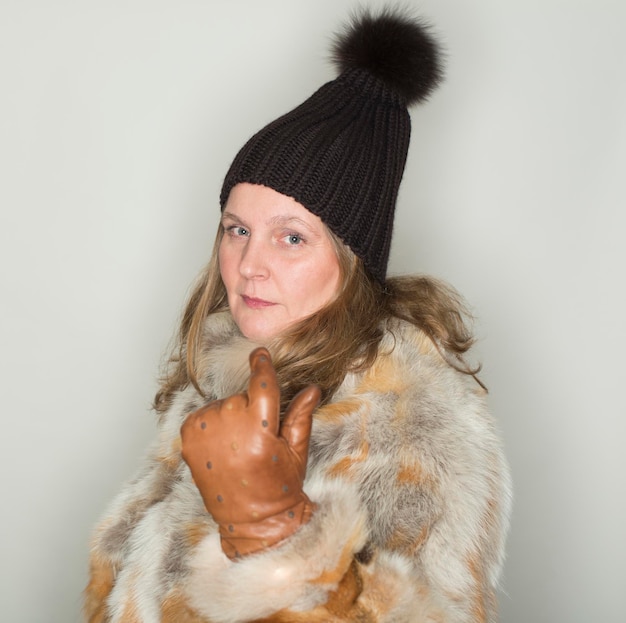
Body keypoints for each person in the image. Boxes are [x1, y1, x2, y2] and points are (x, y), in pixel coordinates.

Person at [84, 8, 511, 623]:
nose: (249, 265)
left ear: (351, 257)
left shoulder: (415, 429)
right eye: (237, 229)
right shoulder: (221, 381)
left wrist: (272, 533)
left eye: (291, 238)